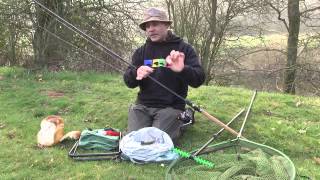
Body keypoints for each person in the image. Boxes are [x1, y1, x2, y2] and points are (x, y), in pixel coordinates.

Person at [123, 7, 205, 143]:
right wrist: (135, 73)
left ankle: (185, 117)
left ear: (167, 25)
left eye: (155, 24)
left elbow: (198, 79)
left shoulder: (184, 49)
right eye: (147, 26)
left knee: (157, 142)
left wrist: (182, 69)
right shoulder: (140, 52)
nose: (150, 29)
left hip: (171, 107)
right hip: (143, 106)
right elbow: (128, 82)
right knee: (134, 141)